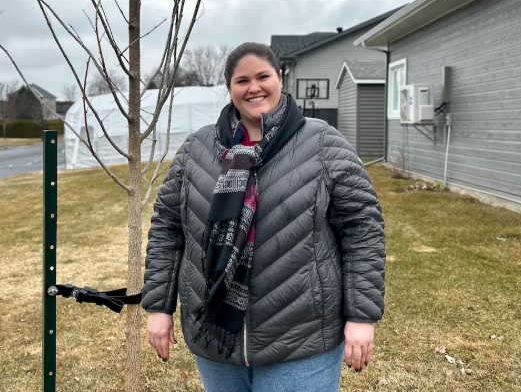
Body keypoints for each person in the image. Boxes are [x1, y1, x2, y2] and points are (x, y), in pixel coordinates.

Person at [142, 42, 385, 391]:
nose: (254, 88)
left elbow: (362, 229)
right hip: (216, 340)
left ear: (280, 78)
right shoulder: (196, 150)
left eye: (263, 76)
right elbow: (167, 228)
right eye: (242, 80)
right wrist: (159, 307)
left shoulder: (323, 143)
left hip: (301, 340)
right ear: (229, 87)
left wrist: (361, 315)